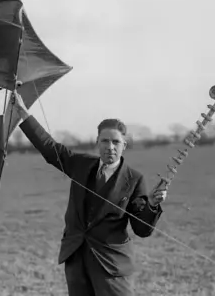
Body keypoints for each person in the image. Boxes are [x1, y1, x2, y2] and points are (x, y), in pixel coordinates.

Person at [12, 92, 167, 296]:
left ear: (124, 145)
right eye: (104, 141)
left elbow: (141, 229)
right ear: (97, 141)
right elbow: (50, 149)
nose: (110, 147)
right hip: (76, 257)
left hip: (111, 265)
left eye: (115, 142)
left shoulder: (134, 179)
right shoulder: (81, 165)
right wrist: (24, 113)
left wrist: (152, 205)